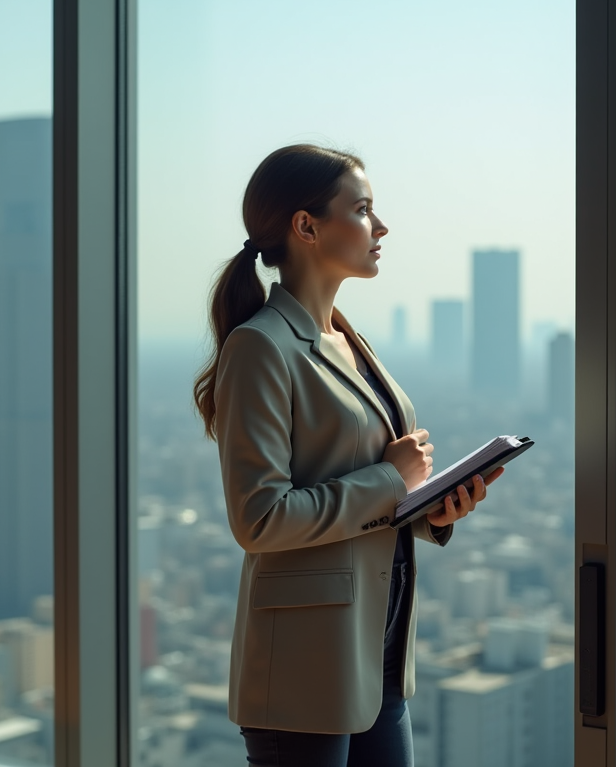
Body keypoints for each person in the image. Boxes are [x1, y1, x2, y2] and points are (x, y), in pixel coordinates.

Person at [193, 144, 504, 767]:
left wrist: (429, 511)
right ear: (305, 226)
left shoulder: (347, 340)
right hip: (305, 669)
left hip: (376, 657)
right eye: (362, 210)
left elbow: (368, 492)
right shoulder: (261, 348)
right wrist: (392, 480)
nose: (381, 227)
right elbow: (259, 519)